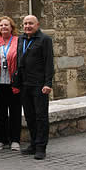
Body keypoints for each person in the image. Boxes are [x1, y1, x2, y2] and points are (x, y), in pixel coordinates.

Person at [17, 15, 54, 160]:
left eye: (30, 23)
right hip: (25, 84)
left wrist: (48, 83)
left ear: (37, 25)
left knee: (41, 117)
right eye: (25, 23)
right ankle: (33, 144)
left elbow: (49, 62)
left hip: (39, 84)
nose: (27, 26)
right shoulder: (21, 39)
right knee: (30, 116)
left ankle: (41, 147)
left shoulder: (45, 40)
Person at [0, 16, 22, 151]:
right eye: (1, 25)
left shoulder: (18, 41)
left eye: (6, 25)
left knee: (15, 112)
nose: (4, 27)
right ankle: (1, 140)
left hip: (13, 82)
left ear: (11, 27)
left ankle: (15, 140)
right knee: (1, 113)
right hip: (0, 81)